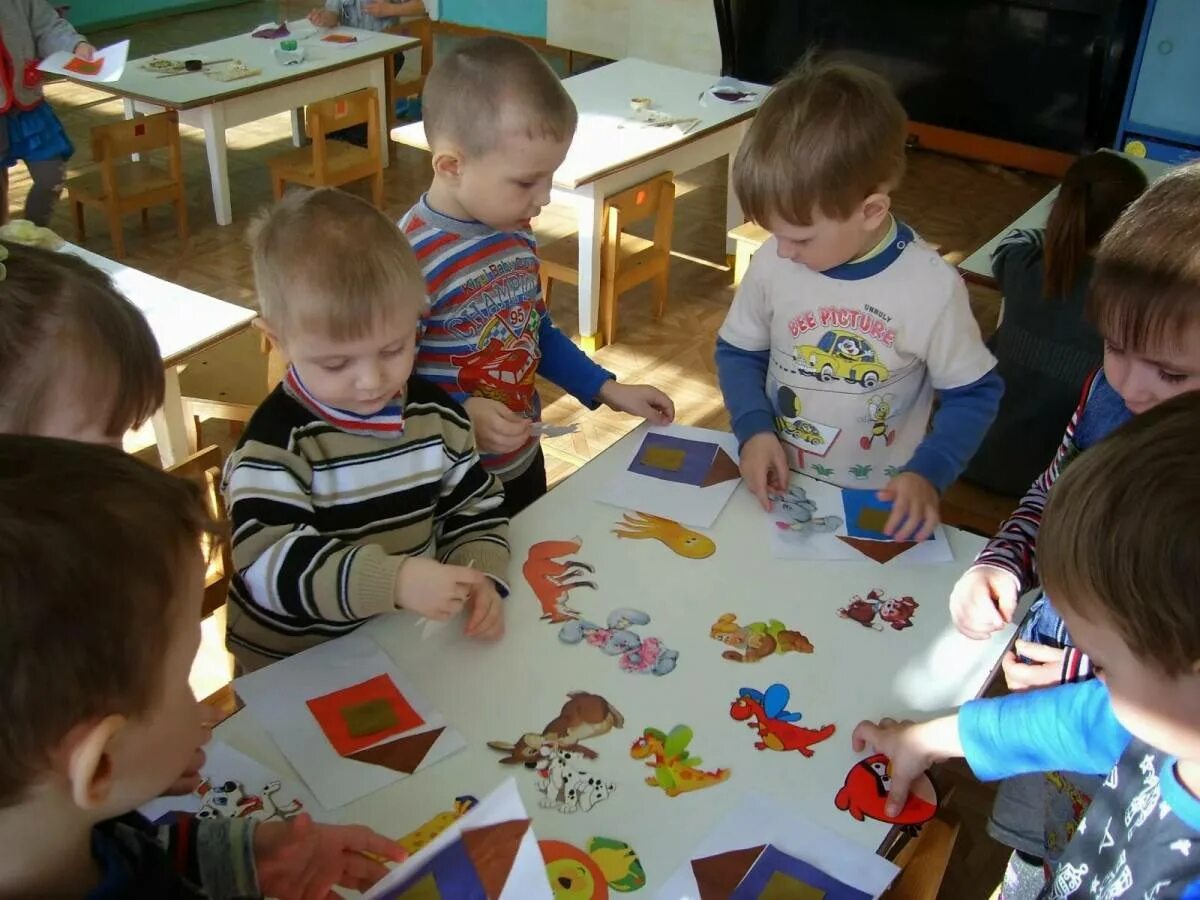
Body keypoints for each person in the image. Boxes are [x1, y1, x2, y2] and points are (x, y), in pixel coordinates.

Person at [0, 436, 404, 897]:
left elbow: (141, 849)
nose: (209, 714)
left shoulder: (70, 833)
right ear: (100, 767)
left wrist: (239, 859)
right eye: (185, 682)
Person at [949, 162, 1200, 893]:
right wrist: (1002, 561)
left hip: (1135, 763)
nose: (1130, 382)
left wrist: (1099, 678)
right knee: (1044, 864)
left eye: (1172, 372)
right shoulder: (1109, 391)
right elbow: (1052, 492)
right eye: (1115, 346)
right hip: (1054, 742)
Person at [855, 390, 1200, 899]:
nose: (1092, 678)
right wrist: (926, 739)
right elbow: (1074, 720)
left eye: (1101, 664)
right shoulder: (1167, 721)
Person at [714, 57, 1001, 541]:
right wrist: (753, 430)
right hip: (775, 479)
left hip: (877, 501)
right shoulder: (774, 261)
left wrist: (928, 473)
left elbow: (974, 393)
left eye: (801, 238)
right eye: (774, 234)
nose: (783, 251)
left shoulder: (930, 287)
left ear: (871, 211)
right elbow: (739, 351)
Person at [226, 187, 509, 672]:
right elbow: (269, 567)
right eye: (336, 363)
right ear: (278, 341)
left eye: (393, 349)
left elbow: (474, 508)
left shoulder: (437, 417)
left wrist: (477, 575)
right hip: (294, 665)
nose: (371, 380)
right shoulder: (275, 446)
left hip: (401, 646)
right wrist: (394, 581)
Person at [399, 36, 675, 518]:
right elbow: (385, 385)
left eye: (551, 176)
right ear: (451, 166)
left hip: (523, 460)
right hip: (450, 483)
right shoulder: (405, 262)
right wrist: (456, 417)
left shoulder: (514, 231)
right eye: (527, 181)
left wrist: (606, 388)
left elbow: (534, 332)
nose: (544, 198)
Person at [964, 152, 1147, 496]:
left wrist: (1060, 234)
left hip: (978, 456)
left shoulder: (1022, 263)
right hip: (1056, 486)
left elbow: (1014, 239)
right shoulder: (1134, 302)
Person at [0, 1, 95, 226]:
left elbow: (46, 26)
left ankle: (33, 237)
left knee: (51, 177)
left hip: (26, 102)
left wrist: (75, 46)